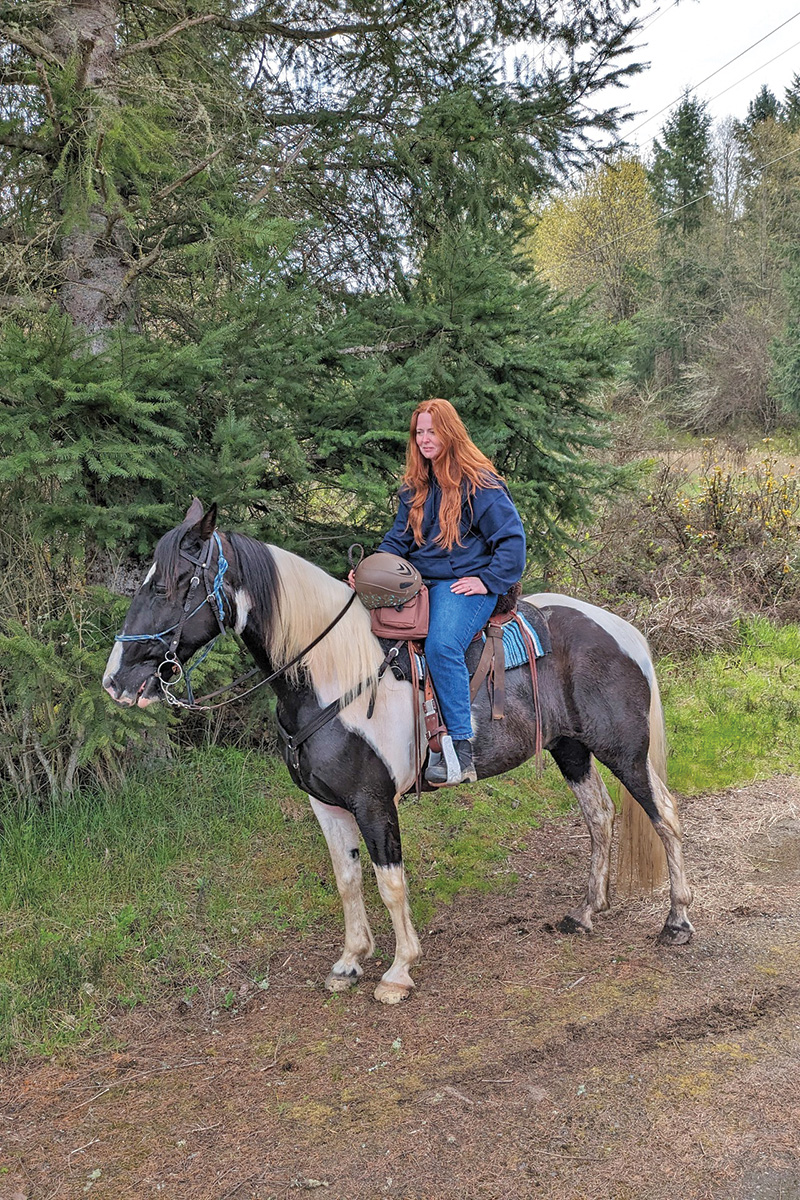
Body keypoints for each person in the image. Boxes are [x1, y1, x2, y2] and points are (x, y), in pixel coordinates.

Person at [371, 397, 526, 787]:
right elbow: (396, 543)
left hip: (465, 586)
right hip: (420, 584)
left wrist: (487, 580)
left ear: (449, 433)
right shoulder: (415, 488)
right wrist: (370, 572)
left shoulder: (480, 482)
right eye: (419, 432)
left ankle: (460, 750)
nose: (424, 439)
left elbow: (512, 542)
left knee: (441, 645)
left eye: (431, 431)